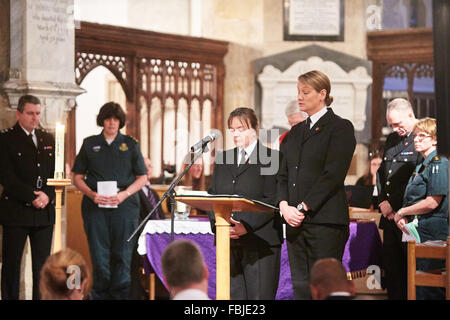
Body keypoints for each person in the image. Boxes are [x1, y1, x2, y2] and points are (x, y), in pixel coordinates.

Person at [277, 70, 356, 300]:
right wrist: (284, 206)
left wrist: (303, 207)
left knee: (325, 288)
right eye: (298, 92)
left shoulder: (340, 127)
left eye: (305, 91)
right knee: (301, 288)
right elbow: (282, 175)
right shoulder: (296, 132)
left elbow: (333, 175)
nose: (299, 97)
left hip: (325, 223)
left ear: (322, 94)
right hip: (294, 222)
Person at [72, 102, 147, 300]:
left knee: (122, 256)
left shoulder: (131, 144)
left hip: (125, 207)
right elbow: (77, 177)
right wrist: (91, 194)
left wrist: (124, 194)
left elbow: (143, 177)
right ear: (102, 121)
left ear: (120, 121)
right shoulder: (89, 144)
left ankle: (121, 296)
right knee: (99, 257)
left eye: (115, 119)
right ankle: (99, 296)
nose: (111, 123)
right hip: (95, 206)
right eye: (107, 118)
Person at [208, 107, 282, 300]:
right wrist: (220, 225)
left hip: (260, 242)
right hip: (228, 241)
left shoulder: (271, 158)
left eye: (241, 129)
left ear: (255, 128)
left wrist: (245, 226)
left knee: (259, 299)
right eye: (232, 130)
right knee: (232, 298)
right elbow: (212, 196)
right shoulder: (223, 159)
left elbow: (272, 199)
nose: (235, 134)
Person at [0, 94, 55, 300]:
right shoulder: (5, 139)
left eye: (38, 113)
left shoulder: (47, 139)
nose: (35, 118)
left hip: (43, 212)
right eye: (30, 113)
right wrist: (31, 196)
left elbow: (55, 174)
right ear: (19, 113)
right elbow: (6, 176)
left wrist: (47, 196)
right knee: (12, 265)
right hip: (16, 210)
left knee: (42, 266)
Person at [393, 118, 448, 300]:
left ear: (434, 139)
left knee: (431, 286)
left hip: (433, 232)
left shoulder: (439, 163)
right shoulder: (422, 164)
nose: (416, 139)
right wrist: (406, 217)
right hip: (418, 230)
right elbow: (414, 198)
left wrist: (402, 212)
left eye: (422, 136)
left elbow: (433, 202)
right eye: (416, 136)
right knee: (419, 284)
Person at [376, 98, 422, 300]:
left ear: (410, 115)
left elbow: (417, 177)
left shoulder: (423, 137)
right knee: (392, 272)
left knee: (411, 272)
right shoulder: (392, 139)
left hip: (409, 219)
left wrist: (393, 204)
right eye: (391, 124)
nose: (395, 129)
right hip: (389, 218)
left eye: (398, 124)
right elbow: (382, 173)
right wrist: (382, 202)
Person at [129, 157, 164, 299]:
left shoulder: (153, 193)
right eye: (145, 166)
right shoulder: (134, 193)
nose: (148, 169)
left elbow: (160, 218)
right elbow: (135, 221)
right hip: (142, 241)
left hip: (159, 239)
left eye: (150, 166)